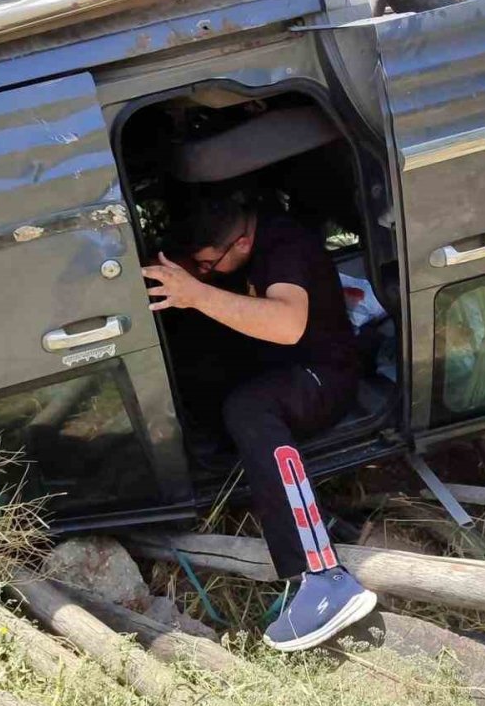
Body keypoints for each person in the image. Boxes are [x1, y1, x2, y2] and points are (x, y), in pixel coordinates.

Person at [143, 193, 377, 651]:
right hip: (276, 361)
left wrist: (199, 294)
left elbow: (288, 324)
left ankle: (324, 577)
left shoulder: (284, 245)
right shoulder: (234, 241)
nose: (207, 272)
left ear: (244, 243)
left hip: (322, 375)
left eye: (211, 264)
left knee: (250, 409)